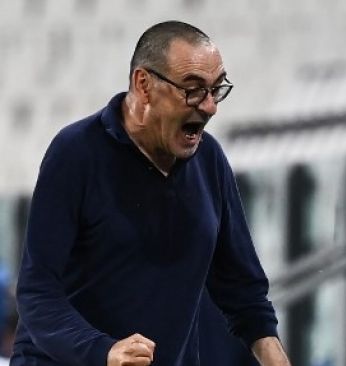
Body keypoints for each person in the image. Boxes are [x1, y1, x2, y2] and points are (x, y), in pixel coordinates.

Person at [10, 21, 291, 366]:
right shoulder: (76, 152)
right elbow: (37, 293)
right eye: (193, 89)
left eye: (216, 90)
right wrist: (104, 351)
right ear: (143, 85)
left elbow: (244, 292)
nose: (210, 106)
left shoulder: (210, 159)